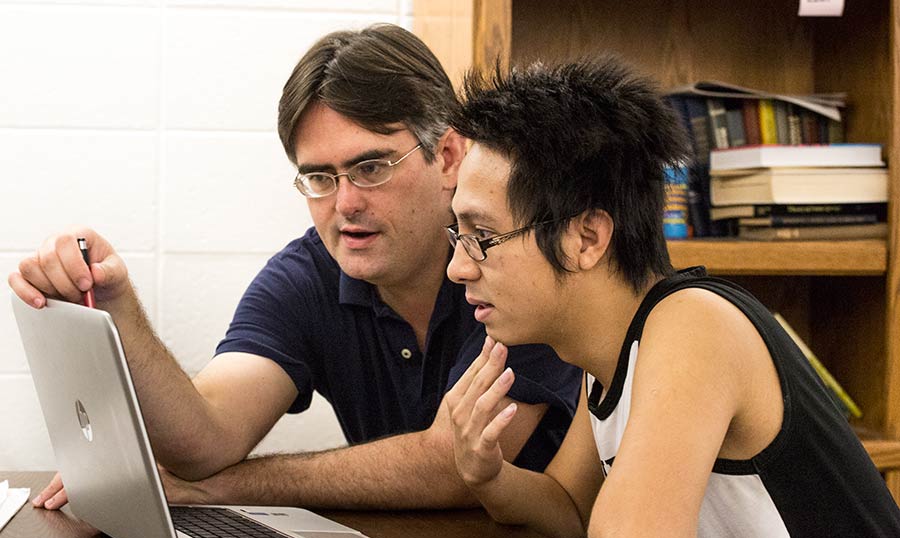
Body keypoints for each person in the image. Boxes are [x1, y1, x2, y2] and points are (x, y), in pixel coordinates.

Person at [10, 24, 581, 512]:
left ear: (448, 156)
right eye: (319, 178)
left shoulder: (518, 259)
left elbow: (460, 461)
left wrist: (220, 487)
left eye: (371, 167)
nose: (345, 203)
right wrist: (118, 306)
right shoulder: (308, 274)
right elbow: (207, 433)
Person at [444, 58, 900, 538]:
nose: (458, 266)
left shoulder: (693, 325)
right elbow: (572, 507)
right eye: (457, 233)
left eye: (483, 236)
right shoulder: (612, 351)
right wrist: (489, 475)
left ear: (586, 238)